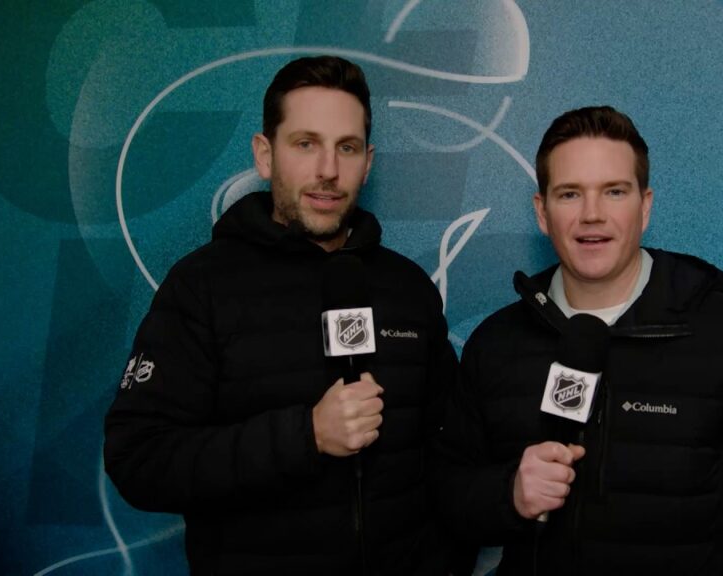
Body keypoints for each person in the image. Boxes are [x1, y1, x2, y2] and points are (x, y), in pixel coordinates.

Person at [434, 106, 723, 574]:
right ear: (542, 212)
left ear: (644, 207)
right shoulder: (497, 344)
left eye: (614, 192)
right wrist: (509, 494)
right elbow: (449, 496)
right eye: (570, 194)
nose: (592, 215)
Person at [104, 55, 458, 575]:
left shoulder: (408, 289)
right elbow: (139, 460)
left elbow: (452, 447)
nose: (328, 170)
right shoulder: (202, 287)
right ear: (265, 156)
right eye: (305, 144)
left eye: (347, 147)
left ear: (368, 162)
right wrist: (305, 435)